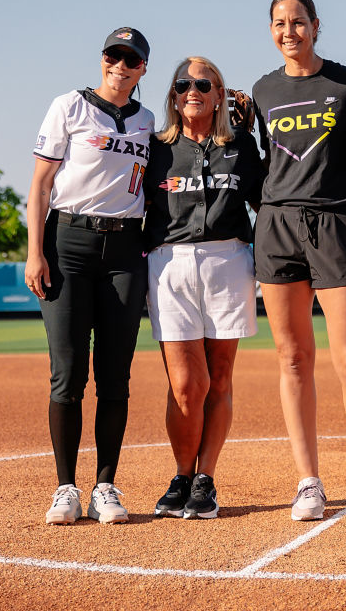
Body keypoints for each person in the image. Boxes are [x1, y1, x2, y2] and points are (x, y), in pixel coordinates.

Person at [253, 0, 346, 521]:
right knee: (292, 358)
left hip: (338, 223)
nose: (291, 31)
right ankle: (308, 481)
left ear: (316, 25)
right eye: (281, 23)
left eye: (299, 22)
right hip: (277, 224)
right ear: (271, 30)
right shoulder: (261, 91)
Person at [26, 27, 154, 526]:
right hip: (69, 244)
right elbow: (39, 185)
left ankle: (105, 485)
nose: (121, 65)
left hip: (125, 248)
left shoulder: (147, 121)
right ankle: (65, 488)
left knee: (115, 374)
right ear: (102, 59)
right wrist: (35, 252)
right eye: (113, 55)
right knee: (68, 372)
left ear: (143, 68)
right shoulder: (69, 107)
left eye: (132, 59)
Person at [144, 57, 264, 520]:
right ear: (173, 96)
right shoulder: (156, 149)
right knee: (186, 385)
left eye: (203, 84)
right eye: (183, 84)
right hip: (169, 262)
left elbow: (265, 201)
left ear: (220, 95)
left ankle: (205, 478)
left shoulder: (241, 148)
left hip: (228, 260)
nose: (192, 90)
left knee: (220, 378)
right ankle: (180, 473)